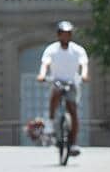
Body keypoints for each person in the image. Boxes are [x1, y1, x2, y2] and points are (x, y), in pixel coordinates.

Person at [35, 20, 89, 156]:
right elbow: (45, 63)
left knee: (73, 111)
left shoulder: (77, 50)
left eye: (68, 34)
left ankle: (74, 143)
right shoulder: (52, 49)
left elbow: (84, 65)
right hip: (57, 80)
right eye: (63, 34)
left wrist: (84, 75)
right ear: (58, 35)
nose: (65, 37)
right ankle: (50, 125)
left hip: (72, 82)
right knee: (55, 95)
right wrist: (42, 74)